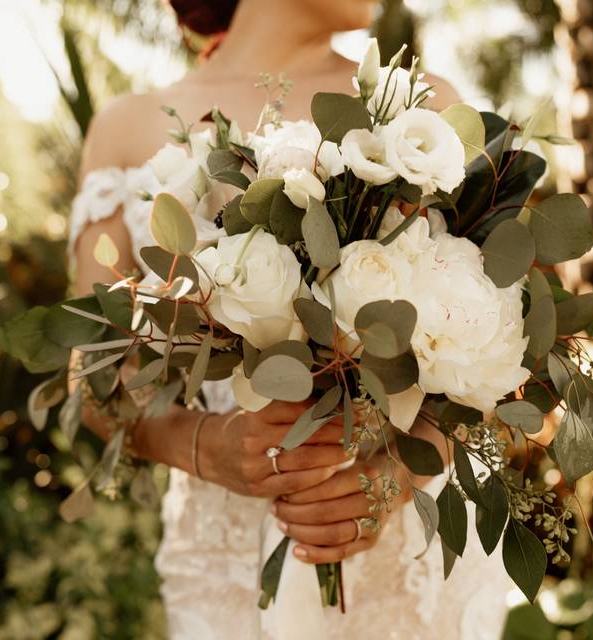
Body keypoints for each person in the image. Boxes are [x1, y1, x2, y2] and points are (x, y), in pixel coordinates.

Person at [69, 0, 515, 637]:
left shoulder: (421, 112)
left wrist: (394, 477)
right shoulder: (127, 128)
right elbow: (94, 374)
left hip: (413, 562)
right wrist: (204, 445)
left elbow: (502, 349)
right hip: (228, 564)